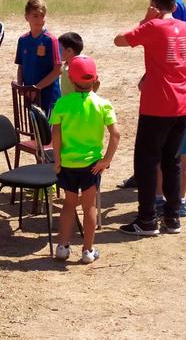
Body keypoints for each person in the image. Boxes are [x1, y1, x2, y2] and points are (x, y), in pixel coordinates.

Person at [114, 0, 186, 236]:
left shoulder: (152, 26)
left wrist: (145, 19)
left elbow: (119, 40)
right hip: (181, 104)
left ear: (154, 4)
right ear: (175, 6)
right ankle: (172, 218)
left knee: (146, 162)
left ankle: (147, 220)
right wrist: (179, 79)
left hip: (156, 105)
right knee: (172, 162)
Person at [118, 0, 186, 189]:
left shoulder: (170, 7)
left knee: (171, 147)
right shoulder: (165, 3)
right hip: (173, 76)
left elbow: (168, 46)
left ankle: (167, 198)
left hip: (174, 81)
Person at [51, 56, 120, 264]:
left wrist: (57, 160)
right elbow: (115, 134)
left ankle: (62, 248)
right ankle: (88, 251)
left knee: (68, 205)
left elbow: (55, 134)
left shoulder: (62, 103)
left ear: (70, 80)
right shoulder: (103, 104)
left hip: (68, 163)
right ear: (96, 79)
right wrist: (105, 161)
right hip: (92, 166)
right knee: (89, 207)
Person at [156, 73, 186, 217]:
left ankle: (159, 199)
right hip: (185, 120)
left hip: (162, 119)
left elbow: (142, 86)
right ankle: (180, 201)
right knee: (183, 163)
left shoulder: (163, 65)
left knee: (160, 162)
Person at [15, 0, 61, 117]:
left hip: (49, 97)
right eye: (35, 16)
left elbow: (57, 70)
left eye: (42, 15)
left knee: (48, 134)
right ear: (27, 17)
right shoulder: (23, 40)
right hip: (30, 96)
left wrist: (37, 88)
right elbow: (21, 66)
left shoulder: (51, 40)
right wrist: (21, 86)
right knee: (34, 132)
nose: (39, 19)